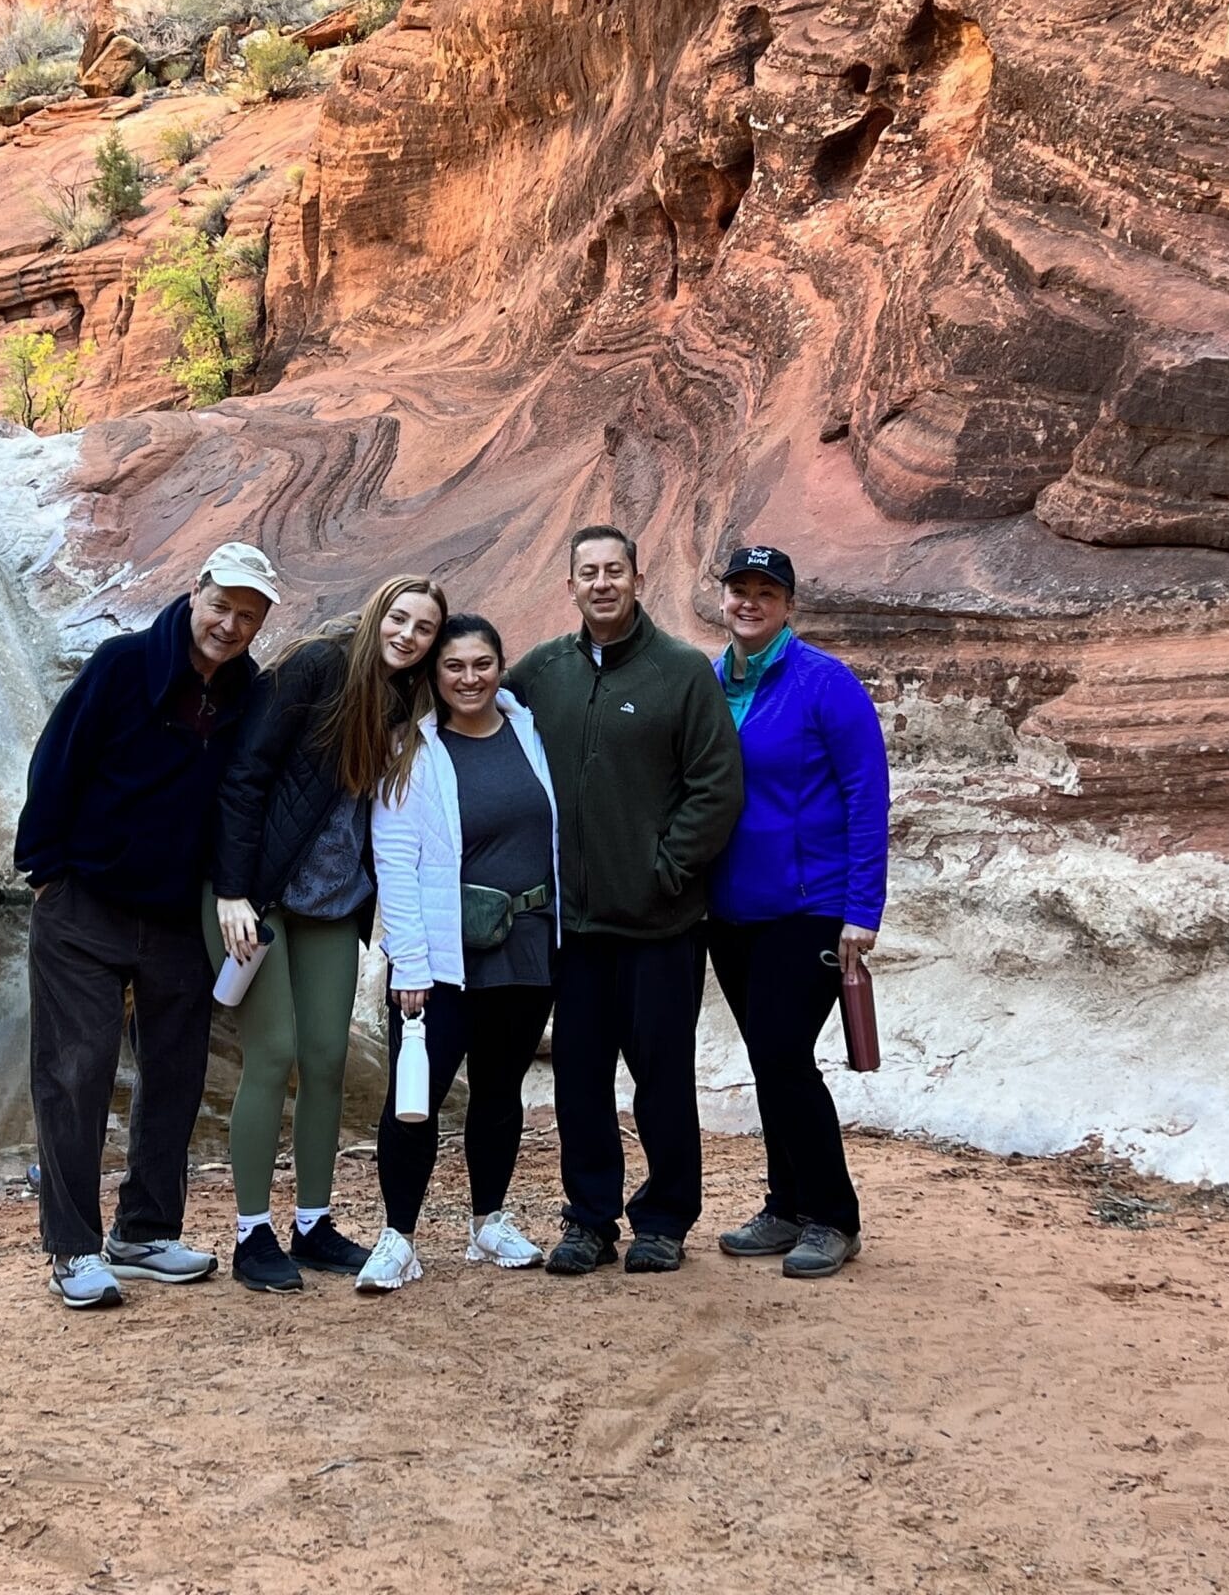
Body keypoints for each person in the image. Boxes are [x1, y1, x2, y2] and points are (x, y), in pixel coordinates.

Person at [14, 543, 280, 1310]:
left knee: (175, 1074)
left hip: (175, 914)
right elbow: (56, 763)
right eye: (221, 605)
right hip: (84, 903)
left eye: (247, 616)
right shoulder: (123, 665)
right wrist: (45, 869)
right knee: (76, 1072)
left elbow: (244, 796)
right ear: (195, 591)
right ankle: (71, 1248)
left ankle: (145, 1231)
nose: (229, 625)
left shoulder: (245, 694)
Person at [507, 526, 743, 1275]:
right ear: (569, 585)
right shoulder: (542, 672)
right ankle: (588, 1220)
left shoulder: (680, 672)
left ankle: (666, 1218)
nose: (602, 583)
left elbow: (716, 786)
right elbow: (475, 721)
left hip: (661, 926)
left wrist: (665, 870)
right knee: (579, 1083)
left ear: (638, 579)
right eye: (588, 573)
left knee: (663, 1080)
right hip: (572, 929)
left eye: (615, 571)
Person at [204, 574, 447, 1291]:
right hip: (260, 895)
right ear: (376, 609)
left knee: (328, 1059)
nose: (407, 634)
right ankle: (252, 1233)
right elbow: (246, 774)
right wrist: (233, 891)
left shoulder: (409, 699)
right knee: (273, 1053)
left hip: (335, 902)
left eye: (423, 627)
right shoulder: (317, 665)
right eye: (398, 617)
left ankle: (312, 1223)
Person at [358, 614, 561, 1292]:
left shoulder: (529, 732)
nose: (469, 679)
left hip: (526, 944)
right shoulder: (412, 752)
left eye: (482, 665)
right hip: (441, 956)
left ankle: (489, 1222)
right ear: (434, 676)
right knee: (415, 1096)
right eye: (454, 667)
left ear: (501, 667)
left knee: (500, 1093)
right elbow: (396, 861)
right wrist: (407, 964)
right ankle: (399, 1237)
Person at [704, 545, 890, 1278]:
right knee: (767, 1059)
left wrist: (861, 908)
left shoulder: (824, 682)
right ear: (724, 599)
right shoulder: (712, 682)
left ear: (788, 606)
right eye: (739, 589)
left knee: (783, 1053)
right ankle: (785, 1206)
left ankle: (834, 1217)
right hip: (730, 908)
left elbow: (866, 796)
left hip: (810, 906)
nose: (750, 601)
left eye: (766, 592)